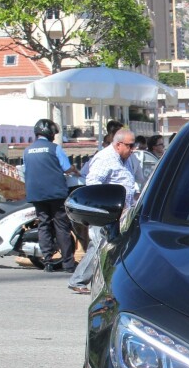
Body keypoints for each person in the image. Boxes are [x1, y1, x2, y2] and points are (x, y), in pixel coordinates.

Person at [68, 129, 138, 293]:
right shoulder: (105, 158)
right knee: (101, 246)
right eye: (130, 145)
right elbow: (93, 183)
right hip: (106, 211)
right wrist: (107, 204)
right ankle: (79, 280)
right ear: (119, 144)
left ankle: (108, 280)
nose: (133, 149)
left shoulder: (124, 159)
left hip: (122, 211)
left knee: (111, 246)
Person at [23, 118, 78, 272]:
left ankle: (47, 261)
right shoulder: (55, 148)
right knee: (61, 226)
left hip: (36, 194)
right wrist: (74, 169)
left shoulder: (27, 150)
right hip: (56, 193)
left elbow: (25, 171)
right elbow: (66, 168)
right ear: (49, 133)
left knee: (44, 225)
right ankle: (68, 263)